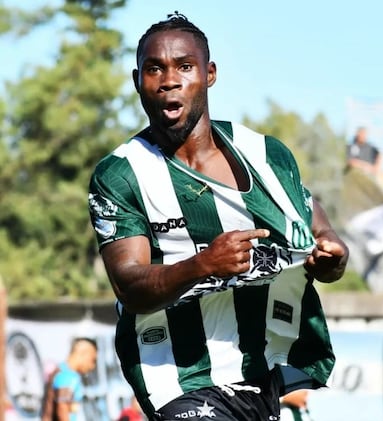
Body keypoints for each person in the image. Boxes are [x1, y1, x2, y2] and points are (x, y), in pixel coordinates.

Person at [88, 12, 349, 421]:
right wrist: (203, 264)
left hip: (261, 374)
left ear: (209, 74)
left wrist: (333, 250)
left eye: (184, 67)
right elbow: (129, 285)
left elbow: (310, 217)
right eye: (154, 69)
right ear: (138, 80)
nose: (169, 80)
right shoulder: (121, 175)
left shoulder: (266, 155)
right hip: (178, 377)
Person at [41, 337, 97, 421]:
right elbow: (62, 408)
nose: (92, 366)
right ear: (83, 353)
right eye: (92, 360)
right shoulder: (68, 376)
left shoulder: (62, 371)